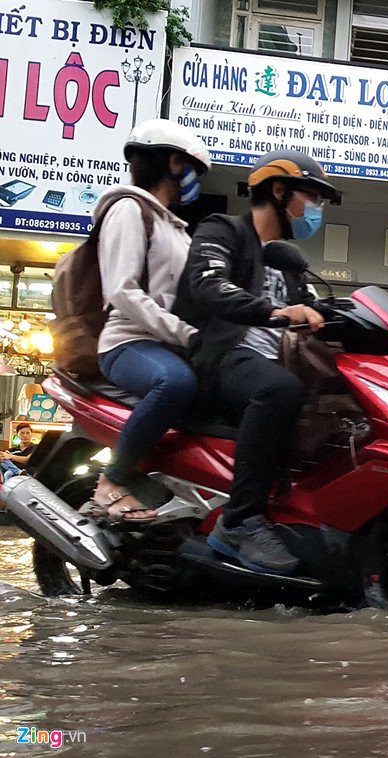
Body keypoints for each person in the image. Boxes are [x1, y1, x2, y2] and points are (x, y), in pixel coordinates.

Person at [174, 150, 338, 575]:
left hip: (268, 364)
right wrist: (277, 313)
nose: (315, 210)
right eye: (312, 198)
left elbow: (312, 311)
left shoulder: (287, 262)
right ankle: (240, 521)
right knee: (280, 389)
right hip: (222, 359)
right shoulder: (222, 230)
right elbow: (208, 287)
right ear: (279, 191)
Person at [88, 119, 210, 523]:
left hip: (167, 344)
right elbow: (122, 290)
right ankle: (113, 479)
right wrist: (184, 333)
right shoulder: (128, 209)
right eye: (193, 168)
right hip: (126, 344)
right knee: (174, 383)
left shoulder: (176, 228)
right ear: (174, 162)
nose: (195, 180)